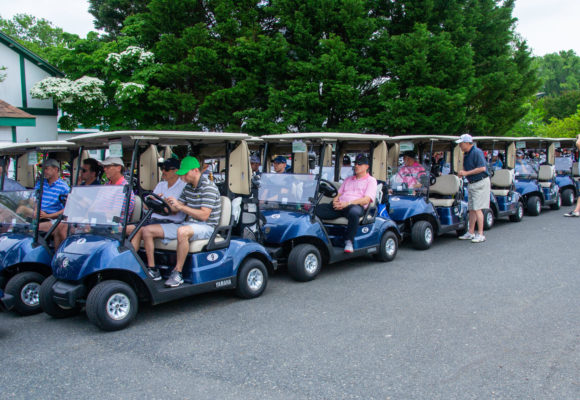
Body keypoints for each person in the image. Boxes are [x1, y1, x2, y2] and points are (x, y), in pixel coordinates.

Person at [145, 156, 221, 288]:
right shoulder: (189, 187)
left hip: (207, 226)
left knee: (182, 231)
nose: (183, 177)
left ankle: (177, 273)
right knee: (147, 231)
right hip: (189, 225)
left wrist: (181, 207)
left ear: (195, 170)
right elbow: (176, 208)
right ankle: (153, 270)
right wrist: (164, 203)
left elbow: (204, 215)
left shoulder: (209, 187)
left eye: (185, 173)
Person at [315, 154, 377, 253]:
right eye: (355, 164)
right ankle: (317, 237)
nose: (356, 166)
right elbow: (339, 193)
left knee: (354, 212)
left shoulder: (371, 181)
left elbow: (366, 200)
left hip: (355, 206)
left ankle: (349, 241)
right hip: (341, 206)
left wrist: (347, 203)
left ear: (366, 166)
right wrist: (335, 200)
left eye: (359, 164)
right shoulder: (348, 179)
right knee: (315, 209)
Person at [128, 158, 187, 262]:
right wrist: (156, 203)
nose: (163, 172)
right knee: (124, 229)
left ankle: (148, 266)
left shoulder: (183, 187)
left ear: (176, 170)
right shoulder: (161, 185)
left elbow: (173, 209)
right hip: (154, 220)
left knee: (140, 231)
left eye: (166, 169)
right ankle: (130, 262)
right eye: (162, 168)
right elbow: (147, 206)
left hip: (171, 222)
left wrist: (160, 202)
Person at [456, 134, 490, 243]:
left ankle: (480, 234)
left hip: (480, 182)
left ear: (467, 143)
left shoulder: (477, 152)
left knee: (477, 208)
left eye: (461, 143)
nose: (460, 145)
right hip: (472, 182)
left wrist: (466, 173)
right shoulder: (466, 154)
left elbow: (482, 168)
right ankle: (470, 232)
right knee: (472, 209)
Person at [34, 159, 70, 247]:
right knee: (21, 209)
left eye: (46, 168)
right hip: (38, 214)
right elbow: (34, 199)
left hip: (52, 218)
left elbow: (68, 208)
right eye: (43, 169)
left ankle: (55, 256)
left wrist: (48, 216)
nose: (44, 171)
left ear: (56, 169)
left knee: (34, 229)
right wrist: (35, 210)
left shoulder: (63, 187)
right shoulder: (40, 183)